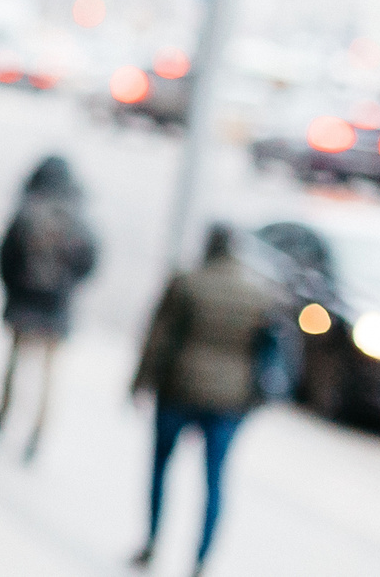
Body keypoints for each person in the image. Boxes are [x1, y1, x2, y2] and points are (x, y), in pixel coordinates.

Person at [129, 222, 285, 573]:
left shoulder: (187, 283)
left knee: (160, 467)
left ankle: (152, 542)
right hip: (230, 401)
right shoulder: (258, 296)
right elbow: (269, 354)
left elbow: (159, 339)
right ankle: (201, 560)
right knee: (214, 480)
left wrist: (139, 382)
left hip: (178, 390)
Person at [0, 153, 100, 461]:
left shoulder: (28, 210)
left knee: (13, 366)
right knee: (49, 376)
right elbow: (90, 261)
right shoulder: (77, 216)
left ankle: (2, 416)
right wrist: (67, 289)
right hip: (57, 309)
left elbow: (4, 258)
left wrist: (14, 289)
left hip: (24, 304)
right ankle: (38, 433)